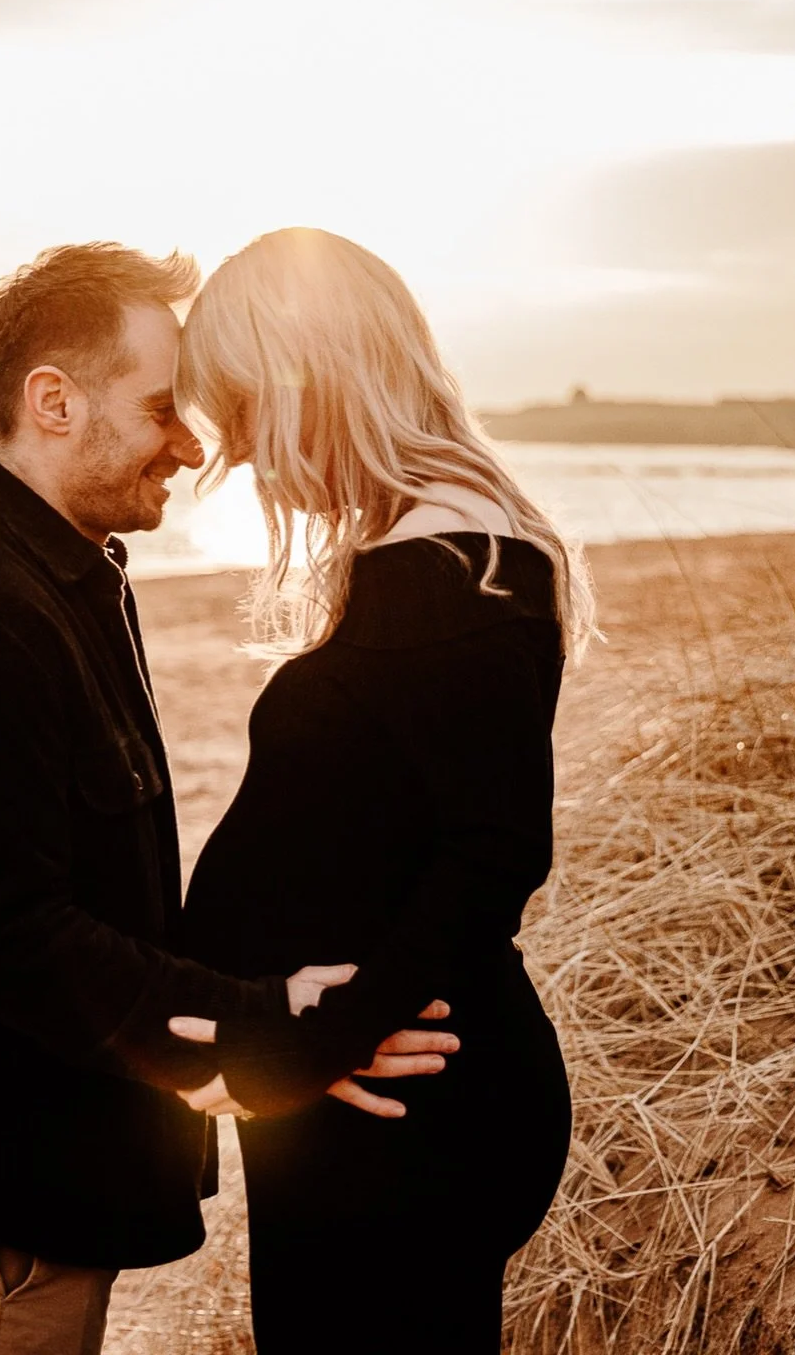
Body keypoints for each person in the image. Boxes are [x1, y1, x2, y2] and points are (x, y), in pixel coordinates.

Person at [0, 242, 458, 1355]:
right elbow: (7, 935)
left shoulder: (56, 576)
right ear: (52, 402)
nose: (193, 447)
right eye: (161, 409)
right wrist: (264, 1030)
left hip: (23, 1206)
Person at [168, 228, 598, 1353]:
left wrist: (314, 1051)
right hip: (388, 1104)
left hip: (407, 1106)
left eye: (247, 418)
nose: (246, 461)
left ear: (307, 381)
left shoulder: (453, 564)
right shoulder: (444, 553)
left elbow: (496, 852)